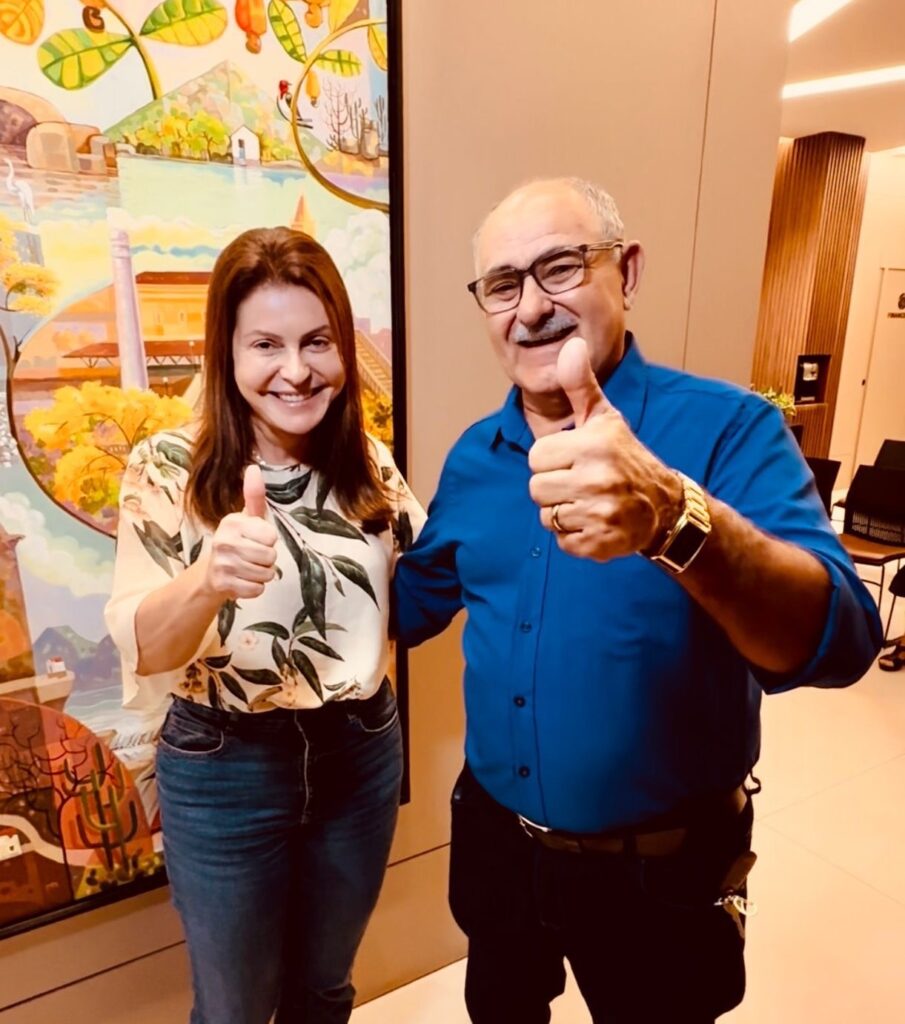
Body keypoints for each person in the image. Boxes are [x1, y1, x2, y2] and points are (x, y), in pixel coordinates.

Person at [393, 178, 882, 1024]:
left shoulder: (729, 429)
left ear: (626, 271)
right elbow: (409, 606)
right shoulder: (474, 456)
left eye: (559, 267)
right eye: (502, 285)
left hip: (660, 875)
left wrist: (674, 520)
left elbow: (840, 642)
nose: (530, 308)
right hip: (496, 847)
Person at [105, 227, 423, 1024]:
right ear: (227, 352)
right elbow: (147, 649)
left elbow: (426, 590)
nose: (296, 369)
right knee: (236, 1008)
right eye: (266, 345)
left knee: (324, 988)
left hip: (358, 751)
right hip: (226, 767)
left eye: (316, 341)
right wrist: (207, 579)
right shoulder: (167, 467)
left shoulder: (368, 464)